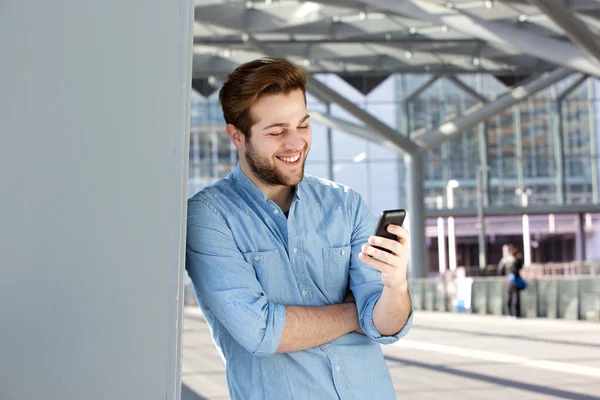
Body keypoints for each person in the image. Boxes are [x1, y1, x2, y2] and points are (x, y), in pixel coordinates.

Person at [186, 57, 414, 400]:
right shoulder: (209, 217)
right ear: (237, 136)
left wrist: (396, 286)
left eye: (303, 125)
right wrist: (355, 313)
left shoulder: (345, 205)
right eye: (277, 132)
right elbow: (263, 332)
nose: (296, 144)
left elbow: (385, 324)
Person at [497, 243, 524, 318]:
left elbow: (500, 271)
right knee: (515, 297)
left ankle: (509, 314)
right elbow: (520, 267)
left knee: (509, 297)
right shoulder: (514, 259)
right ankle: (516, 314)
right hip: (515, 280)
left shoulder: (504, 259)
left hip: (508, 280)